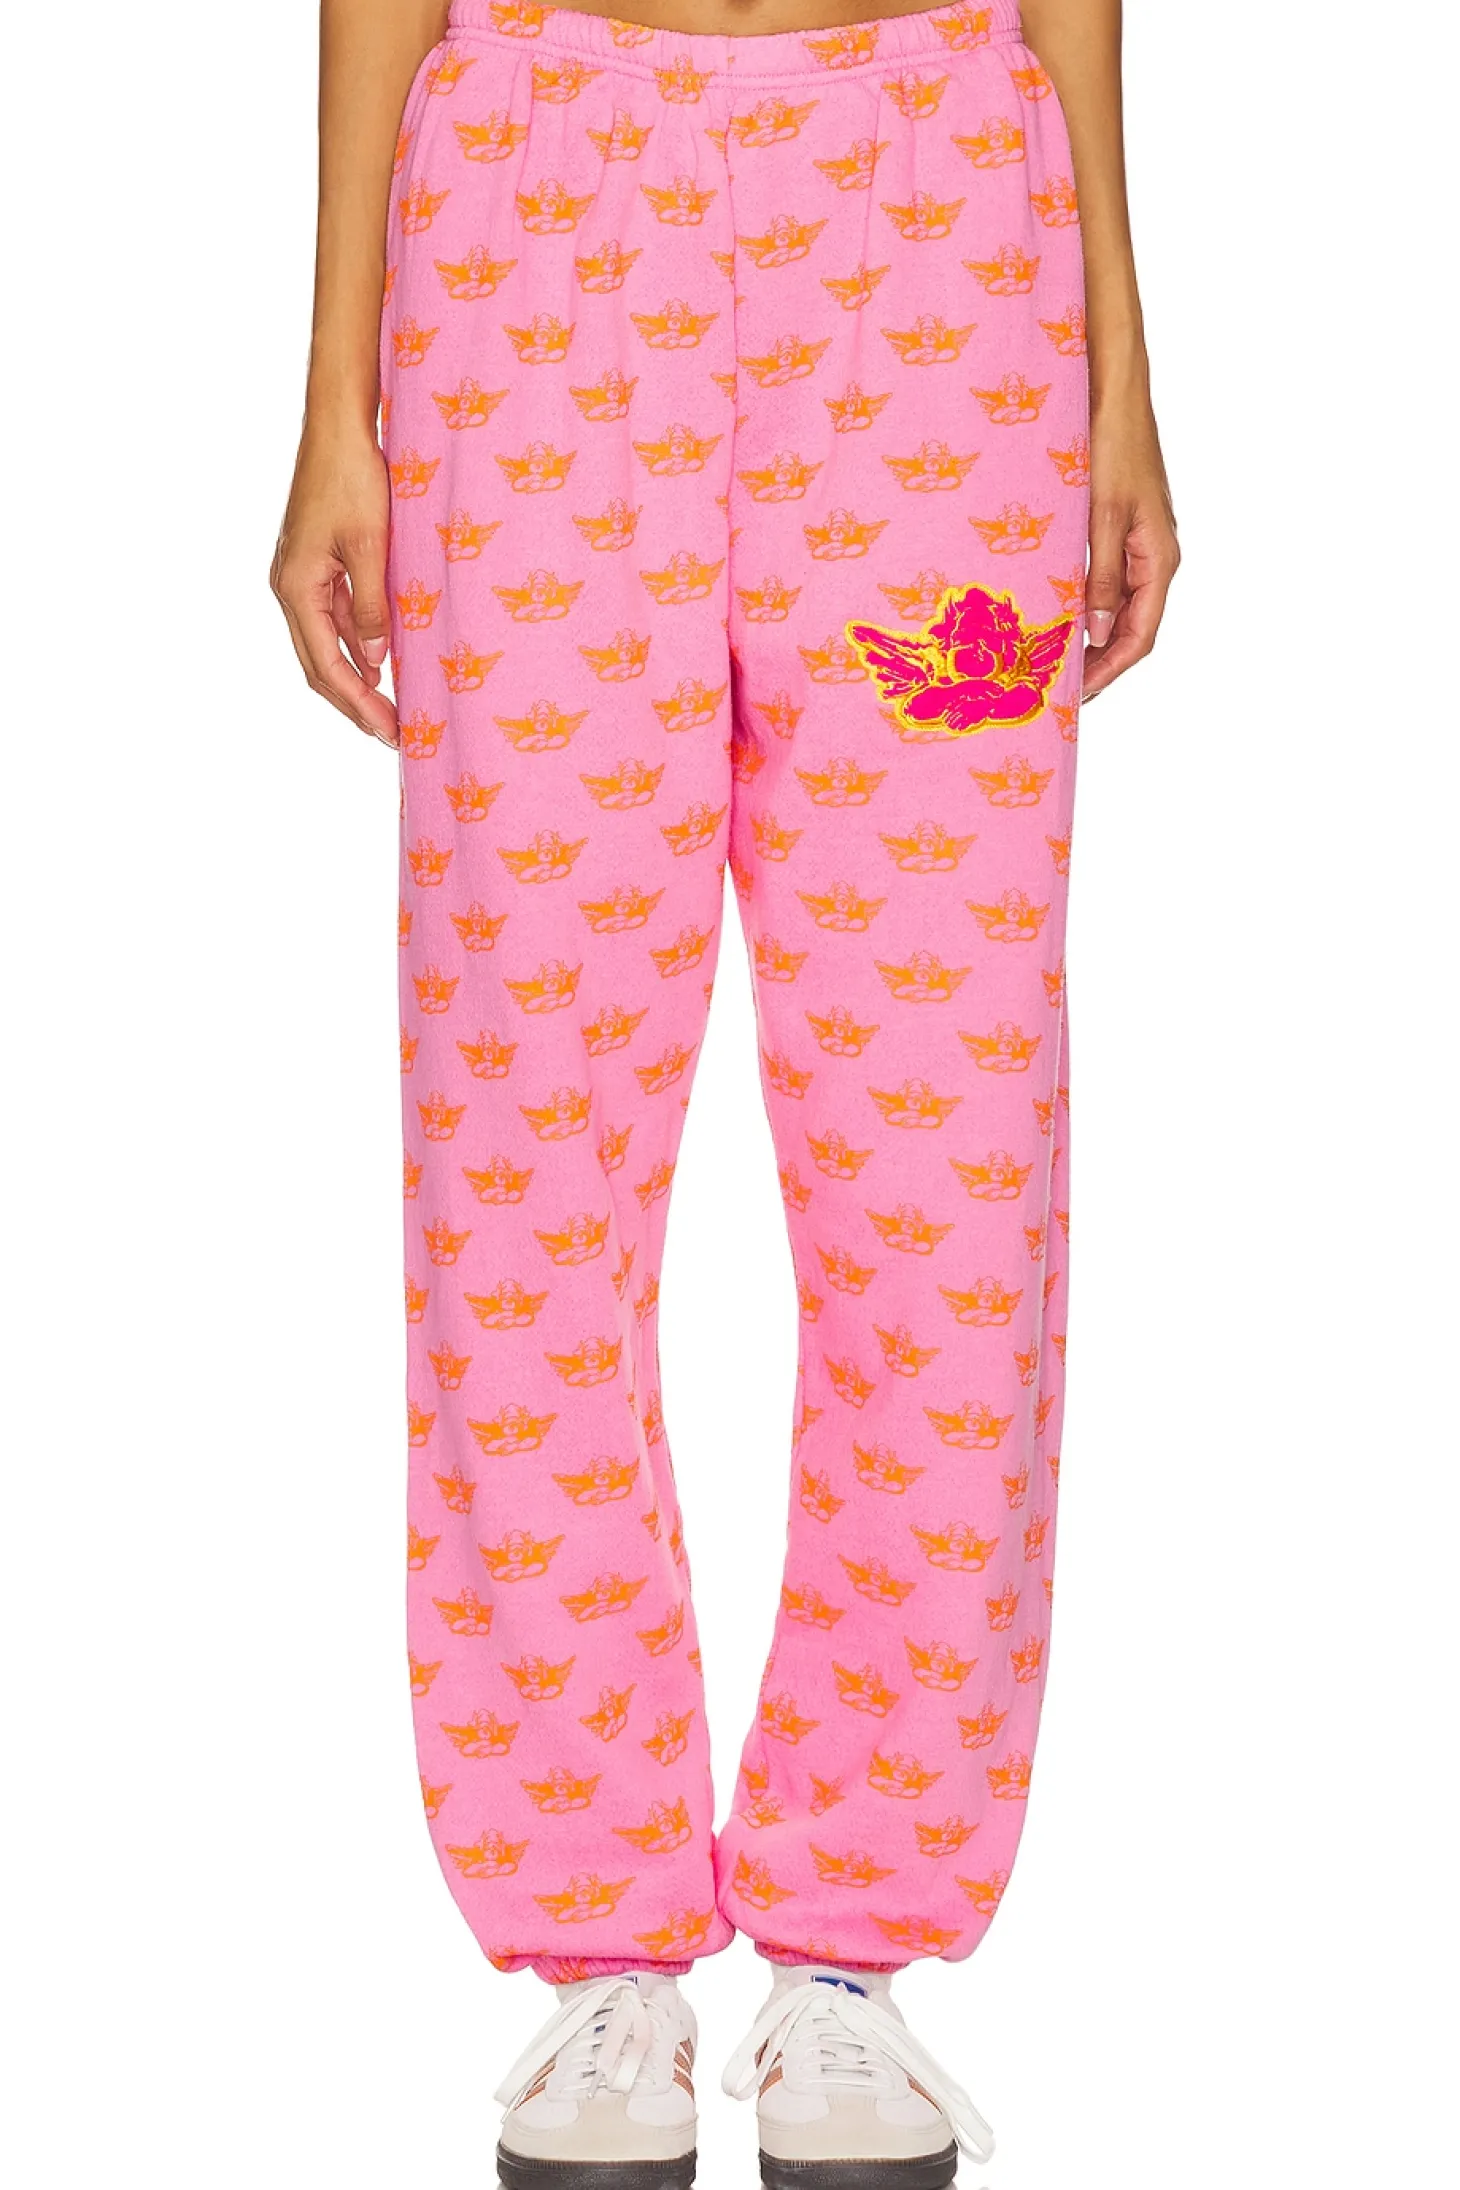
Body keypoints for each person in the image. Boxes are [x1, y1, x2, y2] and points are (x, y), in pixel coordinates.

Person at [272, 0, 1177, 2179]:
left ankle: (856, 1940)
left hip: (943, 232)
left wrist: (1122, 367)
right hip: (534, 217)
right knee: (525, 1131)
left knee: (947, 1156)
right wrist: (333, 394)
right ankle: (595, 1936)